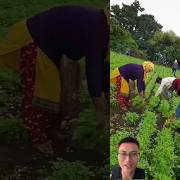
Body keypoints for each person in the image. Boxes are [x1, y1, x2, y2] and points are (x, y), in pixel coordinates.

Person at [0, 5, 108, 154]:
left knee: (58, 92)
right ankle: (38, 138)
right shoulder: (98, 27)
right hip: (34, 41)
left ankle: (51, 128)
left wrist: (106, 99)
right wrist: (100, 108)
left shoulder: (103, 28)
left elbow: (102, 68)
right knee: (39, 92)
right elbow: (93, 70)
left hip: (52, 48)